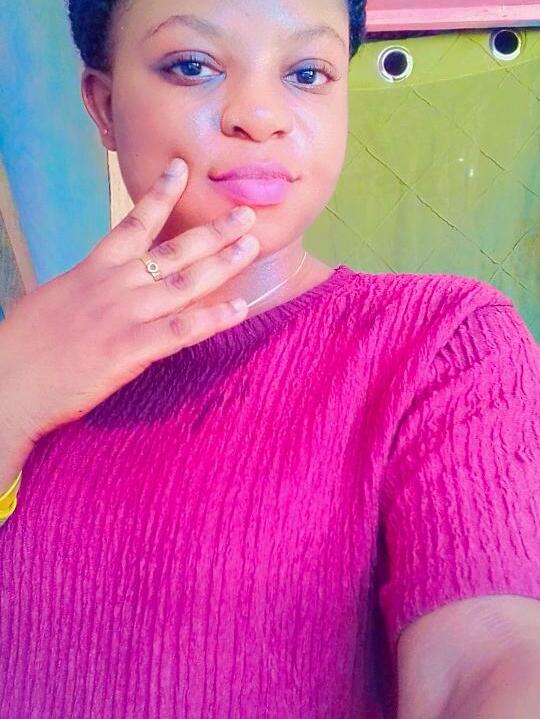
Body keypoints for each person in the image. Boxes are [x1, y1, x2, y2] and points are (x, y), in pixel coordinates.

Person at [0, 1, 538, 717]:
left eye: (307, 73)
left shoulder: (443, 344)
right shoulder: (27, 362)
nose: (260, 116)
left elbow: (488, 651)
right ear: (103, 106)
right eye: (192, 66)